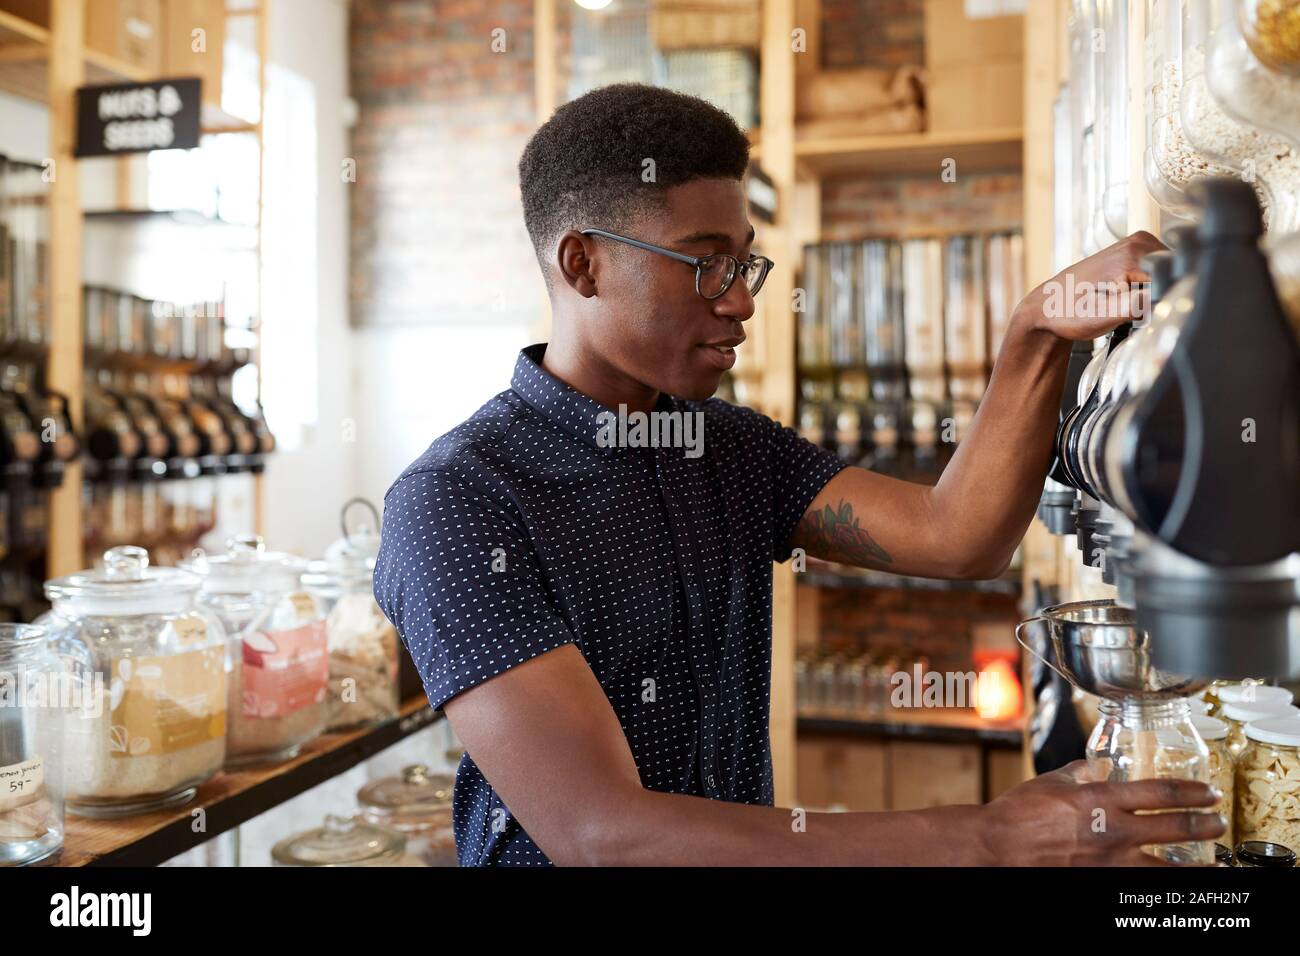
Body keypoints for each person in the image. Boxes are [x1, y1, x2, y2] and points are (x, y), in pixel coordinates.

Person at [372, 83, 1224, 866]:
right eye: (705, 262)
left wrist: (1036, 331)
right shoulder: (457, 502)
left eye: (745, 264)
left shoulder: (729, 448)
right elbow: (604, 835)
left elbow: (957, 537)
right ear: (582, 264)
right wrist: (992, 838)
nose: (741, 300)